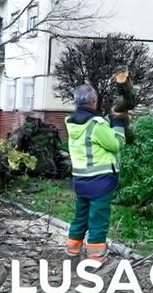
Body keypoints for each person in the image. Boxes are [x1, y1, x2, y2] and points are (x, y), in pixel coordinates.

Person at [64, 84, 127, 263]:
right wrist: (118, 124)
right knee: (98, 219)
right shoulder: (96, 125)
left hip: (80, 181)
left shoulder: (72, 123)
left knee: (80, 216)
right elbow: (116, 144)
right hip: (100, 181)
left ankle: (71, 251)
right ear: (94, 101)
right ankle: (95, 257)